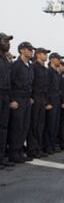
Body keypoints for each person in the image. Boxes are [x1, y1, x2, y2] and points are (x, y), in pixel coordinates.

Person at [9, 42, 35, 163]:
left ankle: (19, 151)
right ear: (22, 51)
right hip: (17, 99)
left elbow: (30, 84)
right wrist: (12, 100)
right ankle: (13, 153)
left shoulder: (29, 66)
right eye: (29, 49)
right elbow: (9, 83)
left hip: (26, 99)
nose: (31, 51)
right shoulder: (15, 65)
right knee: (17, 127)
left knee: (25, 126)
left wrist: (29, 97)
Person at [27, 47, 50, 158]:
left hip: (42, 98)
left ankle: (38, 148)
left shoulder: (45, 69)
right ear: (38, 55)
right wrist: (30, 96)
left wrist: (45, 101)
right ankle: (31, 149)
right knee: (34, 124)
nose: (46, 55)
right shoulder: (33, 67)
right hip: (35, 97)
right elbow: (30, 82)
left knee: (41, 124)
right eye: (44, 53)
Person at [0, 33, 15, 169]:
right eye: (5, 41)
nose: (8, 43)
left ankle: (1, 157)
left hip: (5, 96)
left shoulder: (5, 60)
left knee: (4, 128)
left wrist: (10, 99)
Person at [44, 52, 64, 154]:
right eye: (58, 59)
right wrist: (47, 102)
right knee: (50, 125)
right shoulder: (49, 72)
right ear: (52, 59)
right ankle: (47, 146)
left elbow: (59, 88)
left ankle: (52, 145)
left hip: (57, 101)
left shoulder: (57, 73)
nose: (59, 61)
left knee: (55, 124)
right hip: (51, 102)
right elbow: (46, 88)